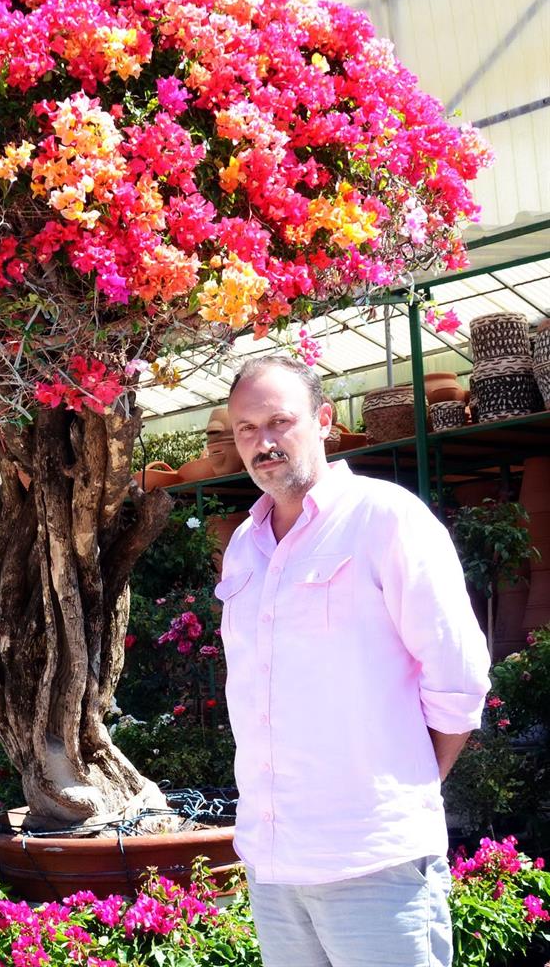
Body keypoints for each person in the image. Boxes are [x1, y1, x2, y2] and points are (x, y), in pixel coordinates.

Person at [214, 354, 490, 967]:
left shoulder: (384, 519)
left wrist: (409, 787)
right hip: (274, 864)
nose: (263, 443)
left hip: (373, 861)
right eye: (246, 429)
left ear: (324, 420)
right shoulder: (245, 545)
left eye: (279, 422)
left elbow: (459, 675)